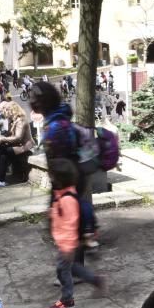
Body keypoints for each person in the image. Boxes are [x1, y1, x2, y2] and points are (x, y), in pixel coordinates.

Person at [29, 81, 109, 243]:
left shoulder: (55, 126)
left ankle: (85, 234)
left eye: (34, 98)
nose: (30, 102)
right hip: (71, 172)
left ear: (43, 101)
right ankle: (81, 234)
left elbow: (59, 156)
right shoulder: (57, 119)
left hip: (68, 174)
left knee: (71, 205)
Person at [47, 159, 106, 308]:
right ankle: (96, 280)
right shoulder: (61, 195)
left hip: (68, 243)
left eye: (52, 176)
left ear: (59, 179)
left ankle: (67, 300)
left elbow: (70, 224)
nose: (50, 179)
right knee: (71, 267)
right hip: (64, 242)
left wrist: (68, 247)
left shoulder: (67, 199)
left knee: (63, 269)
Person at [0, 100, 34, 188]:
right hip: (18, 145)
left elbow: (18, 137)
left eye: (7, 111)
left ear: (13, 110)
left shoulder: (21, 120)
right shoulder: (13, 120)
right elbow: (10, 134)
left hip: (24, 146)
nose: (5, 113)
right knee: (1, 152)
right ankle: (0, 179)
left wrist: (3, 139)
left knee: (2, 150)